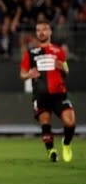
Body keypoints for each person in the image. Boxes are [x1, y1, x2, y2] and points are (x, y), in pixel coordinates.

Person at [20, 20, 76, 162]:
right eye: (38, 30)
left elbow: (67, 71)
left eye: (44, 29)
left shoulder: (59, 51)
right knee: (45, 122)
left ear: (50, 31)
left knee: (70, 122)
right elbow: (22, 74)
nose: (41, 32)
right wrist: (29, 75)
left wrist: (61, 67)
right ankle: (51, 150)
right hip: (40, 95)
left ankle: (66, 143)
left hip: (59, 94)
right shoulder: (30, 53)